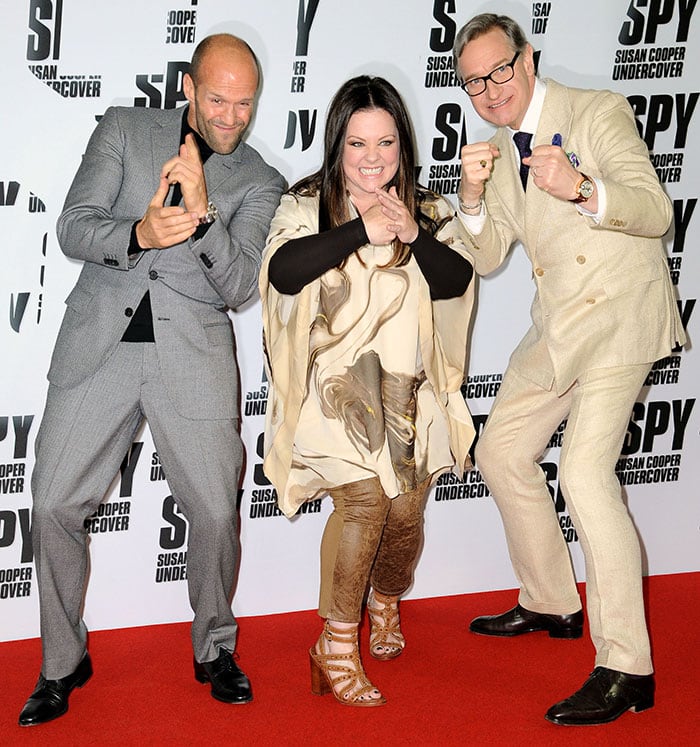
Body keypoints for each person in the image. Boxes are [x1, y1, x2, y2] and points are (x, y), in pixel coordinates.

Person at [19, 34, 285, 727]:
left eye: (245, 104)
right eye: (219, 99)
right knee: (50, 503)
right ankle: (61, 660)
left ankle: (214, 647)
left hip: (191, 358)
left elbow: (234, 286)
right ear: (190, 88)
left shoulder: (260, 180)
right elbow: (74, 227)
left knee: (219, 513)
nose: (231, 117)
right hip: (100, 345)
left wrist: (200, 218)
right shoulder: (124, 129)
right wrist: (139, 230)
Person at [452, 13, 686, 726]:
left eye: (499, 70)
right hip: (559, 326)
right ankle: (552, 598)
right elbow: (489, 254)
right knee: (499, 450)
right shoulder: (495, 147)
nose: (490, 91)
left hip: (619, 317)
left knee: (584, 475)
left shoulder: (596, 111)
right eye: (472, 82)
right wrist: (468, 196)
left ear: (526, 59)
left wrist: (583, 186)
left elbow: (656, 211)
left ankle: (626, 667)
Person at [260, 76, 475, 707]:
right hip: (332, 393)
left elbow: (457, 280)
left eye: (385, 142)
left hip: (408, 395)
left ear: (402, 147)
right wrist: (361, 230)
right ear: (338, 147)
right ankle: (335, 641)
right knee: (363, 503)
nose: (372, 157)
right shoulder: (306, 204)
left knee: (405, 515)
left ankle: (385, 600)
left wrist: (409, 233)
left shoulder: (427, 209)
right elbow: (283, 269)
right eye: (358, 143)